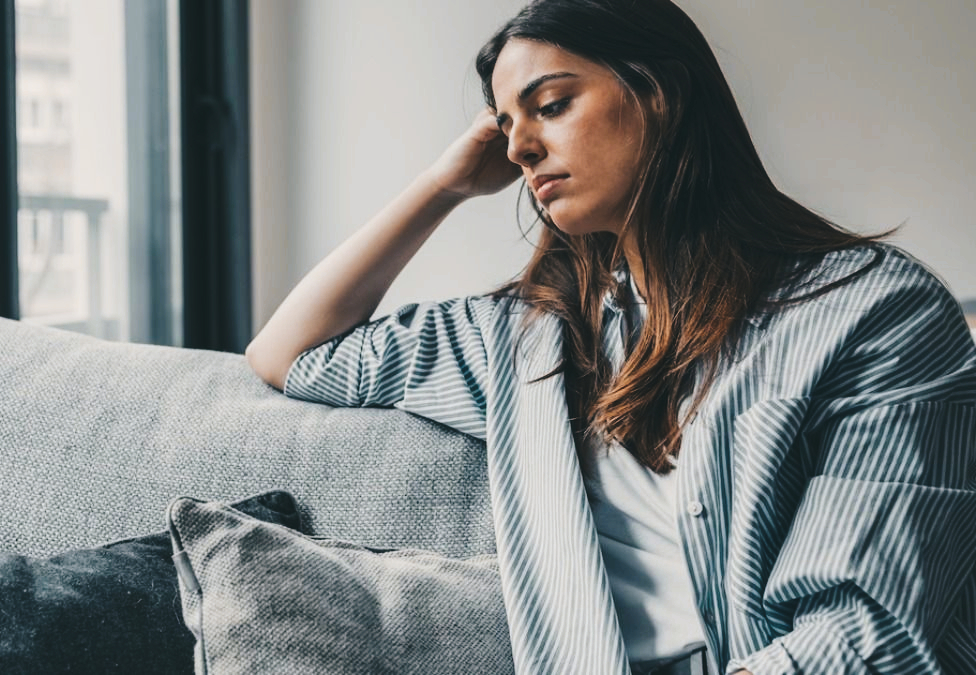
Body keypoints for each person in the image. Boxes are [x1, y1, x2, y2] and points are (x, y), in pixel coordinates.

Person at [245, 0, 976, 673]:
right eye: (505, 130)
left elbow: (867, 633)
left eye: (552, 105)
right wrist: (445, 185)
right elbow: (289, 353)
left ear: (659, 93)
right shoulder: (523, 343)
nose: (522, 148)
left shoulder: (877, 311)